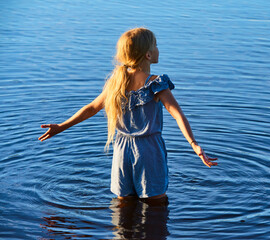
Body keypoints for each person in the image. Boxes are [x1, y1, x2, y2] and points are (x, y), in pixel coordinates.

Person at [38, 27, 217, 202]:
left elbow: (91, 108)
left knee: (123, 204)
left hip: (122, 149)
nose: (158, 49)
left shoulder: (117, 83)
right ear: (148, 55)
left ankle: (121, 232)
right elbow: (178, 115)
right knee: (156, 205)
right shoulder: (155, 83)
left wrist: (61, 126)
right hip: (149, 150)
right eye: (155, 45)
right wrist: (193, 144)